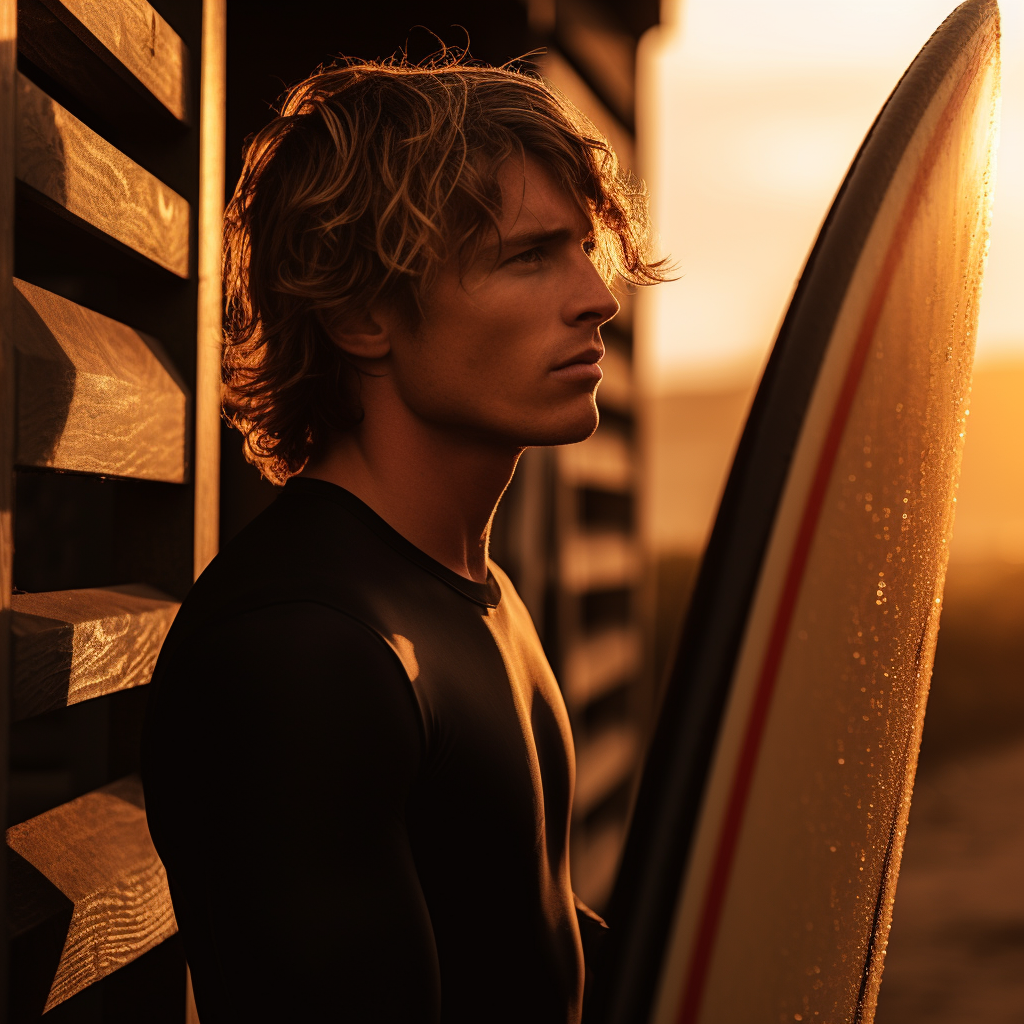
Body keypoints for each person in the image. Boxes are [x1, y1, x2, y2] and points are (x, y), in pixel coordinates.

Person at [142, 53, 665, 1023]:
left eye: (581, 249)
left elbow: (514, 947)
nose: (596, 297)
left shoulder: (471, 591)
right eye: (527, 255)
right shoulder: (306, 649)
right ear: (359, 314)